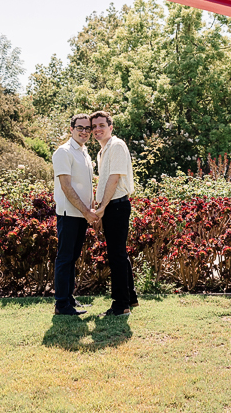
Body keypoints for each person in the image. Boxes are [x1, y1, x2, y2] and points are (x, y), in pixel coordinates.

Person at [91, 110, 139, 316]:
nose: (97, 129)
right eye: (94, 126)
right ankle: (131, 298)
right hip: (111, 205)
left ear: (111, 127)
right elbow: (103, 182)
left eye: (101, 125)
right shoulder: (102, 152)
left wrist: (102, 208)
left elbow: (115, 179)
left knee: (116, 255)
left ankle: (121, 305)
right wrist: (99, 203)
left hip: (117, 206)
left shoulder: (117, 145)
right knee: (119, 253)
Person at [52, 113, 99, 316]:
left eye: (88, 128)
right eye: (80, 127)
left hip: (81, 214)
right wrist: (86, 212)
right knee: (64, 259)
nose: (84, 132)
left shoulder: (84, 153)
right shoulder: (63, 152)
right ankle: (61, 305)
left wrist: (92, 211)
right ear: (71, 129)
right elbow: (66, 187)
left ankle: (69, 299)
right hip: (69, 214)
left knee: (72, 258)